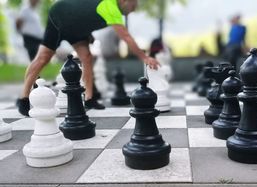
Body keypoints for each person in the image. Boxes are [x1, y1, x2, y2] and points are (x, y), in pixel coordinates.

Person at [17, 0, 160, 116]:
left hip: (77, 30)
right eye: (133, 5)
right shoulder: (110, 7)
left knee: (87, 57)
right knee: (43, 57)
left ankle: (89, 98)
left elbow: (87, 15)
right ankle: (23, 98)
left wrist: (88, 34)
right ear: (124, 1)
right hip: (60, 16)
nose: (134, 9)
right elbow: (126, 37)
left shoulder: (110, 9)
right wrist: (145, 58)